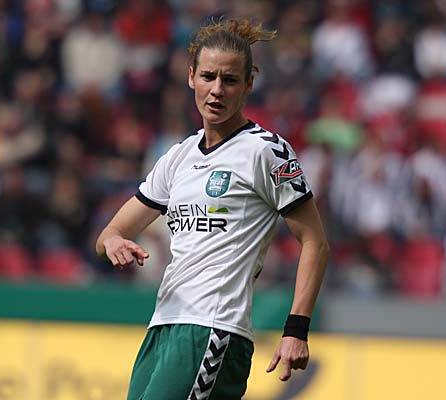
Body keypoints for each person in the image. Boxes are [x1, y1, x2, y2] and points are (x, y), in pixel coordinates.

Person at [96, 18, 329, 400]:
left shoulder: (266, 151)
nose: (217, 90)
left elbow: (315, 242)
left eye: (230, 80)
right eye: (208, 76)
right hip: (163, 326)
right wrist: (112, 242)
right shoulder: (178, 157)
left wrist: (296, 329)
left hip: (213, 329)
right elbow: (110, 232)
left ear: (248, 85)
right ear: (191, 77)